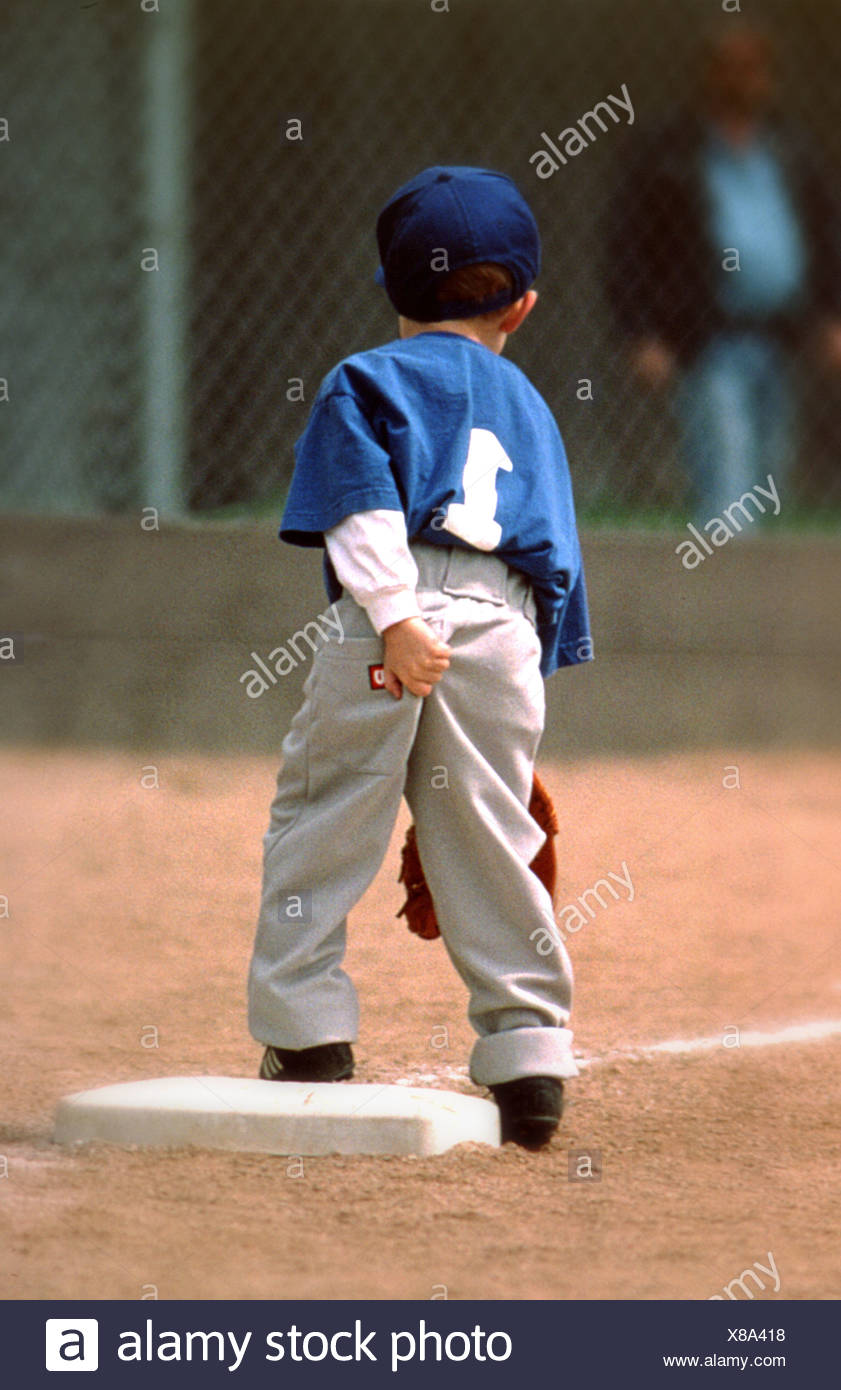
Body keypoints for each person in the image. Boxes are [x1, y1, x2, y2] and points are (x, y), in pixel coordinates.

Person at [247, 166, 592, 1150]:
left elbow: (359, 509)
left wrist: (396, 619)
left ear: (392, 291)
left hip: (385, 622)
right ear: (523, 304)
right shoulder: (531, 406)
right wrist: (513, 726)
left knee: (324, 816)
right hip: (503, 629)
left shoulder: (366, 378)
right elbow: (551, 563)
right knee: (490, 836)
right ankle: (529, 1053)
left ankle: (306, 1034)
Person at [608, 22, 841, 521]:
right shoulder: (672, 154)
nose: (742, 79)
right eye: (729, 67)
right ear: (708, 73)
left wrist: (829, 314)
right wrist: (641, 331)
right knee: (728, 482)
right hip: (709, 340)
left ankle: (761, 594)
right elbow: (627, 246)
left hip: (781, 337)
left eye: (753, 67)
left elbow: (824, 235)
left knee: (770, 479)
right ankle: (723, 594)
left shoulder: (789, 151)